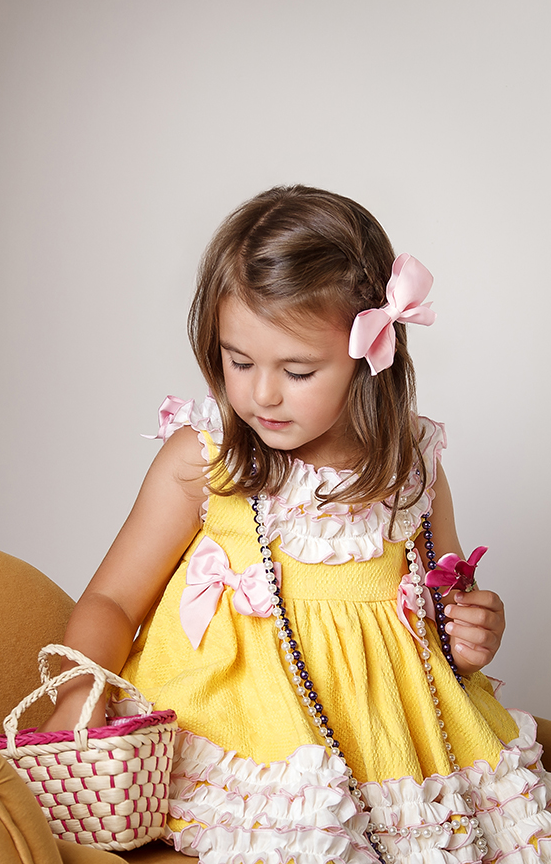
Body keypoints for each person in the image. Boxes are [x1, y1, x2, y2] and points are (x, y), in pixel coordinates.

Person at [41, 186, 551, 863]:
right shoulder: (204, 461)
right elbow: (110, 599)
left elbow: (445, 611)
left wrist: (475, 631)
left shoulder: (411, 472)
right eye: (238, 360)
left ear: (369, 359)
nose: (261, 394)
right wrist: (82, 691)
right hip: (235, 746)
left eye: (299, 370)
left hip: (384, 755)